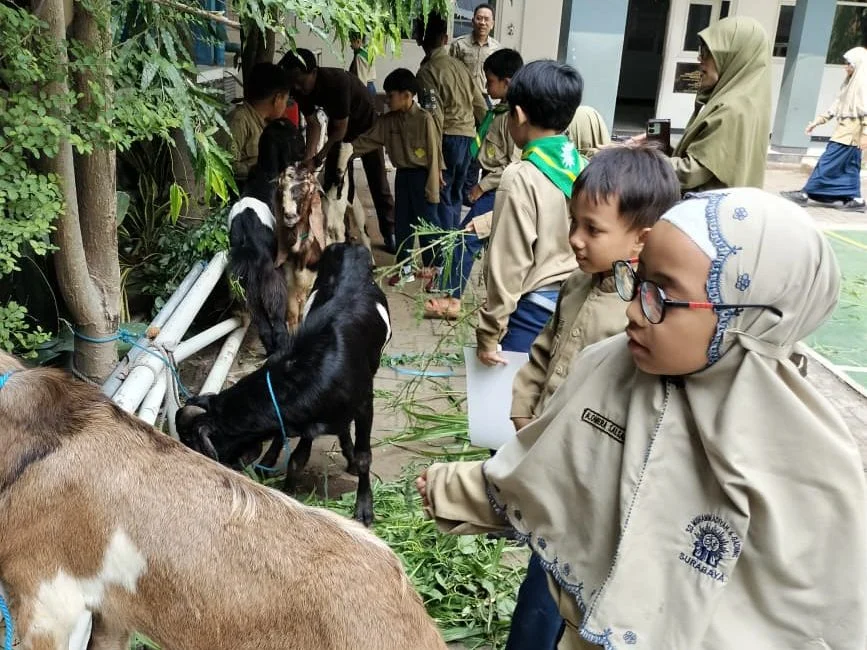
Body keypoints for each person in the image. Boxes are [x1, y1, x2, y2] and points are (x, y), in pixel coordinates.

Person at [417, 188, 867, 649]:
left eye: (662, 295)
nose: (632, 311)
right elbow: (549, 470)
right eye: (639, 282)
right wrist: (452, 488)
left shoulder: (814, 467)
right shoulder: (607, 369)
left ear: (753, 319)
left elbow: (819, 620)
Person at [503, 145, 681, 650]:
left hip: (596, 482)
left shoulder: (642, 311)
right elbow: (544, 347)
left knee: (561, 587)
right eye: (573, 223)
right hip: (553, 465)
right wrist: (524, 404)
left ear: (641, 240)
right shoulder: (577, 284)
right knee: (543, 571)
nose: (575, 240)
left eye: (593, 230)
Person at [473, 59, 584, 366]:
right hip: (572, 303)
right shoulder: (580, 165)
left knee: (512, 409)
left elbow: (509, 265)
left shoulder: (520, 175)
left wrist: (490, 335)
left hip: (531, 312)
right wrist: (484, 223)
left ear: (518, 115)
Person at [423, 48, 523, 319]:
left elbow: (514, 165)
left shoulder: (514, 118)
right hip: (492, 185)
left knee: (465, 238)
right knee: (483, 243)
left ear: (507, 82)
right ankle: (493, 300)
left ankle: (452, 299)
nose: (486, 85)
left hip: (502, 189)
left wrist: (483, 185)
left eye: (490, 80)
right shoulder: (499, 112)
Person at [629, 16, 771, 192]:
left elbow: (690, 173)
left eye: (707, 52)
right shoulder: (745, 100)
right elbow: (710, 160)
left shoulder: (731, 108)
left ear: (733, 57)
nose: (699, 59)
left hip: (706, 212)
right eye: (700, 50)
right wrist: (661, 146)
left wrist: (637, 159)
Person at [279, 49, 397, 252]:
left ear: (314, 72)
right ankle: (345, 233)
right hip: (339, 129)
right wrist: (308, 160)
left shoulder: (337, 82)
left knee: (377, 180)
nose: (297, 87)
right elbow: (313, 124)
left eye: (300, 80)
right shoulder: (301, 89)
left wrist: (320, 157)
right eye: (293, 83)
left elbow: (340, 130)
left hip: (365, 128)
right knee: (336, 181)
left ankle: (390, 233)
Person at [415, 12, 488, 278]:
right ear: (445, 38)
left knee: (438, 199)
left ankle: (443, 261)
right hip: (468, 139)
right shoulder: (461, 67)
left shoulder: (427, 72)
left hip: (446, 139)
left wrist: (437, 162)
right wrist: (479, 144)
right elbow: (482, 108)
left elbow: (433, 118)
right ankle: (451, 253)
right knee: (456, 198)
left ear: (419, 41)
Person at [351, 68, 443, 275]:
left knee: (428, 223)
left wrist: (433, 185)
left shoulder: (424, 119)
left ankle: (437, 268)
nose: (387, 101)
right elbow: (366, 141)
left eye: (391, 96)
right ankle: (405, 267)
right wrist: (344, 150)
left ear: (407, 95)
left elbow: (434, 155)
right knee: (403, 223)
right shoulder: (388, 121)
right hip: (403, 176)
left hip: (423, 176)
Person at [781, 46, 867, 212]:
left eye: (848, 64)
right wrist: (817, 122)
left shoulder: (863, 88)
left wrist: (865, 135)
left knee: (826, 163)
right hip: (845, 133)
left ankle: (806, 193)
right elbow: (835, 107)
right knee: (850, 168)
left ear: (857, 65)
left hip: (849, 136)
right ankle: (856, 199)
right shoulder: (849, 85)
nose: (845, 67)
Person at [450, 3, 501, 202]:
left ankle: (469, 191)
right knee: (460, 142)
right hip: (462, 101)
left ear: (493, 23)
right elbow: (450, 71)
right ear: (473, 20)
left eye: (486, 19)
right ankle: (456, 186)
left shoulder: (497, 49)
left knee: (479, 146)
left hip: (485, 101)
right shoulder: (459, 45)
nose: (482, 22)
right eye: (479, 18)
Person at [219, 62, 292, 190]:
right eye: (286, 100)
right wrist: (262, 167)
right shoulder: (239, 121)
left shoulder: (267, 124)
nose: (285, 106)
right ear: (277, 99)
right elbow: (226, 166)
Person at [349, 32, 377, 96]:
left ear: (358, 41)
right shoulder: (368, 51)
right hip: (371, 86)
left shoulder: (360, 56)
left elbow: (361, 79)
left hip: (364, 88)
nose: (350, 45)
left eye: (352, 42)